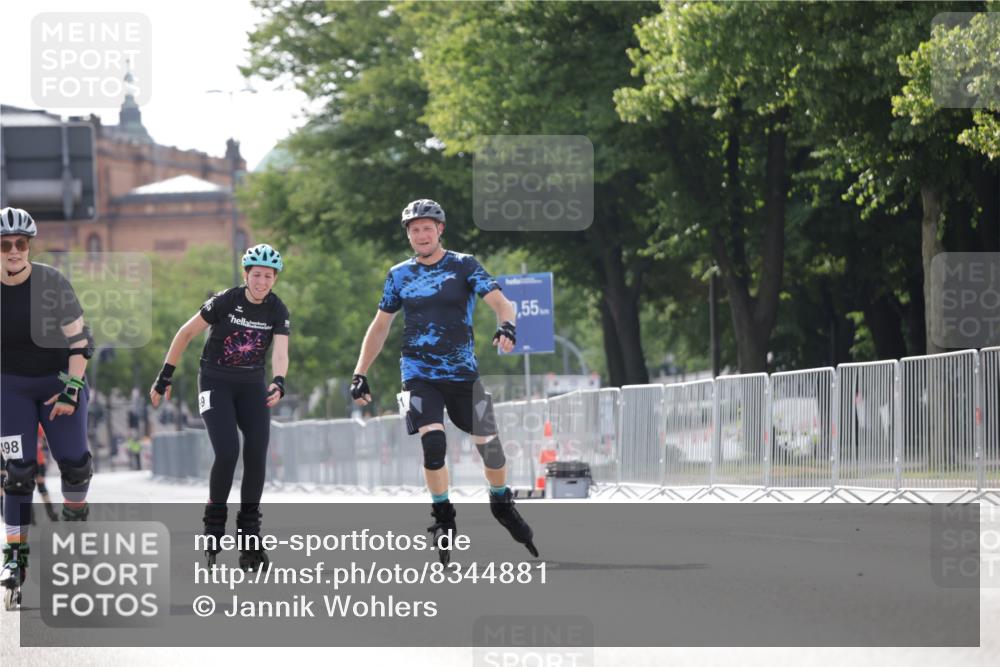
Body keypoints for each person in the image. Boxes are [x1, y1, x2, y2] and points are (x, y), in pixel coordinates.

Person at [350, 199, 537, 564]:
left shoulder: (463, 265)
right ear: (408, 235)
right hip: (418, 372)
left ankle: (501, 500)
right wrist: (360, 372)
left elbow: (503, 303)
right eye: (414, 230)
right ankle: (443, 513)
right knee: (433, 444)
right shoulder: (399, 275)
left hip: (463, 374)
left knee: (491, 448)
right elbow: (381, 326)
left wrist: (507, 327)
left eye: (427, 228)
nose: (421, 235)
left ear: (440, 230)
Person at [149, 243, 289, 571]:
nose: (262, 282)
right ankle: (214, 529)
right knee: (227, 452)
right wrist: (164, 376)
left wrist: (279, 381)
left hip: (252, 384)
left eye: (268, 276)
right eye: (256, 275)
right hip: (215, 382)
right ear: (246, 274)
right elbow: (185, 333)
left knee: (256, 453)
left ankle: (249, 538)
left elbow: (281, 351)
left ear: (275, 279)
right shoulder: (226, 300)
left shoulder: (277, 309)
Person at [0, 207, 95, 610]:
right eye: (5, 245)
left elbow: (81, 342)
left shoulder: (51, 282)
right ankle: (14, 559)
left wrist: (72, 390)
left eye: (21, 244)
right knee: (18, 473)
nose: (14, 251)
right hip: (10, 387)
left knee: (75, 466)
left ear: (29, 246)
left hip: (59, 381)